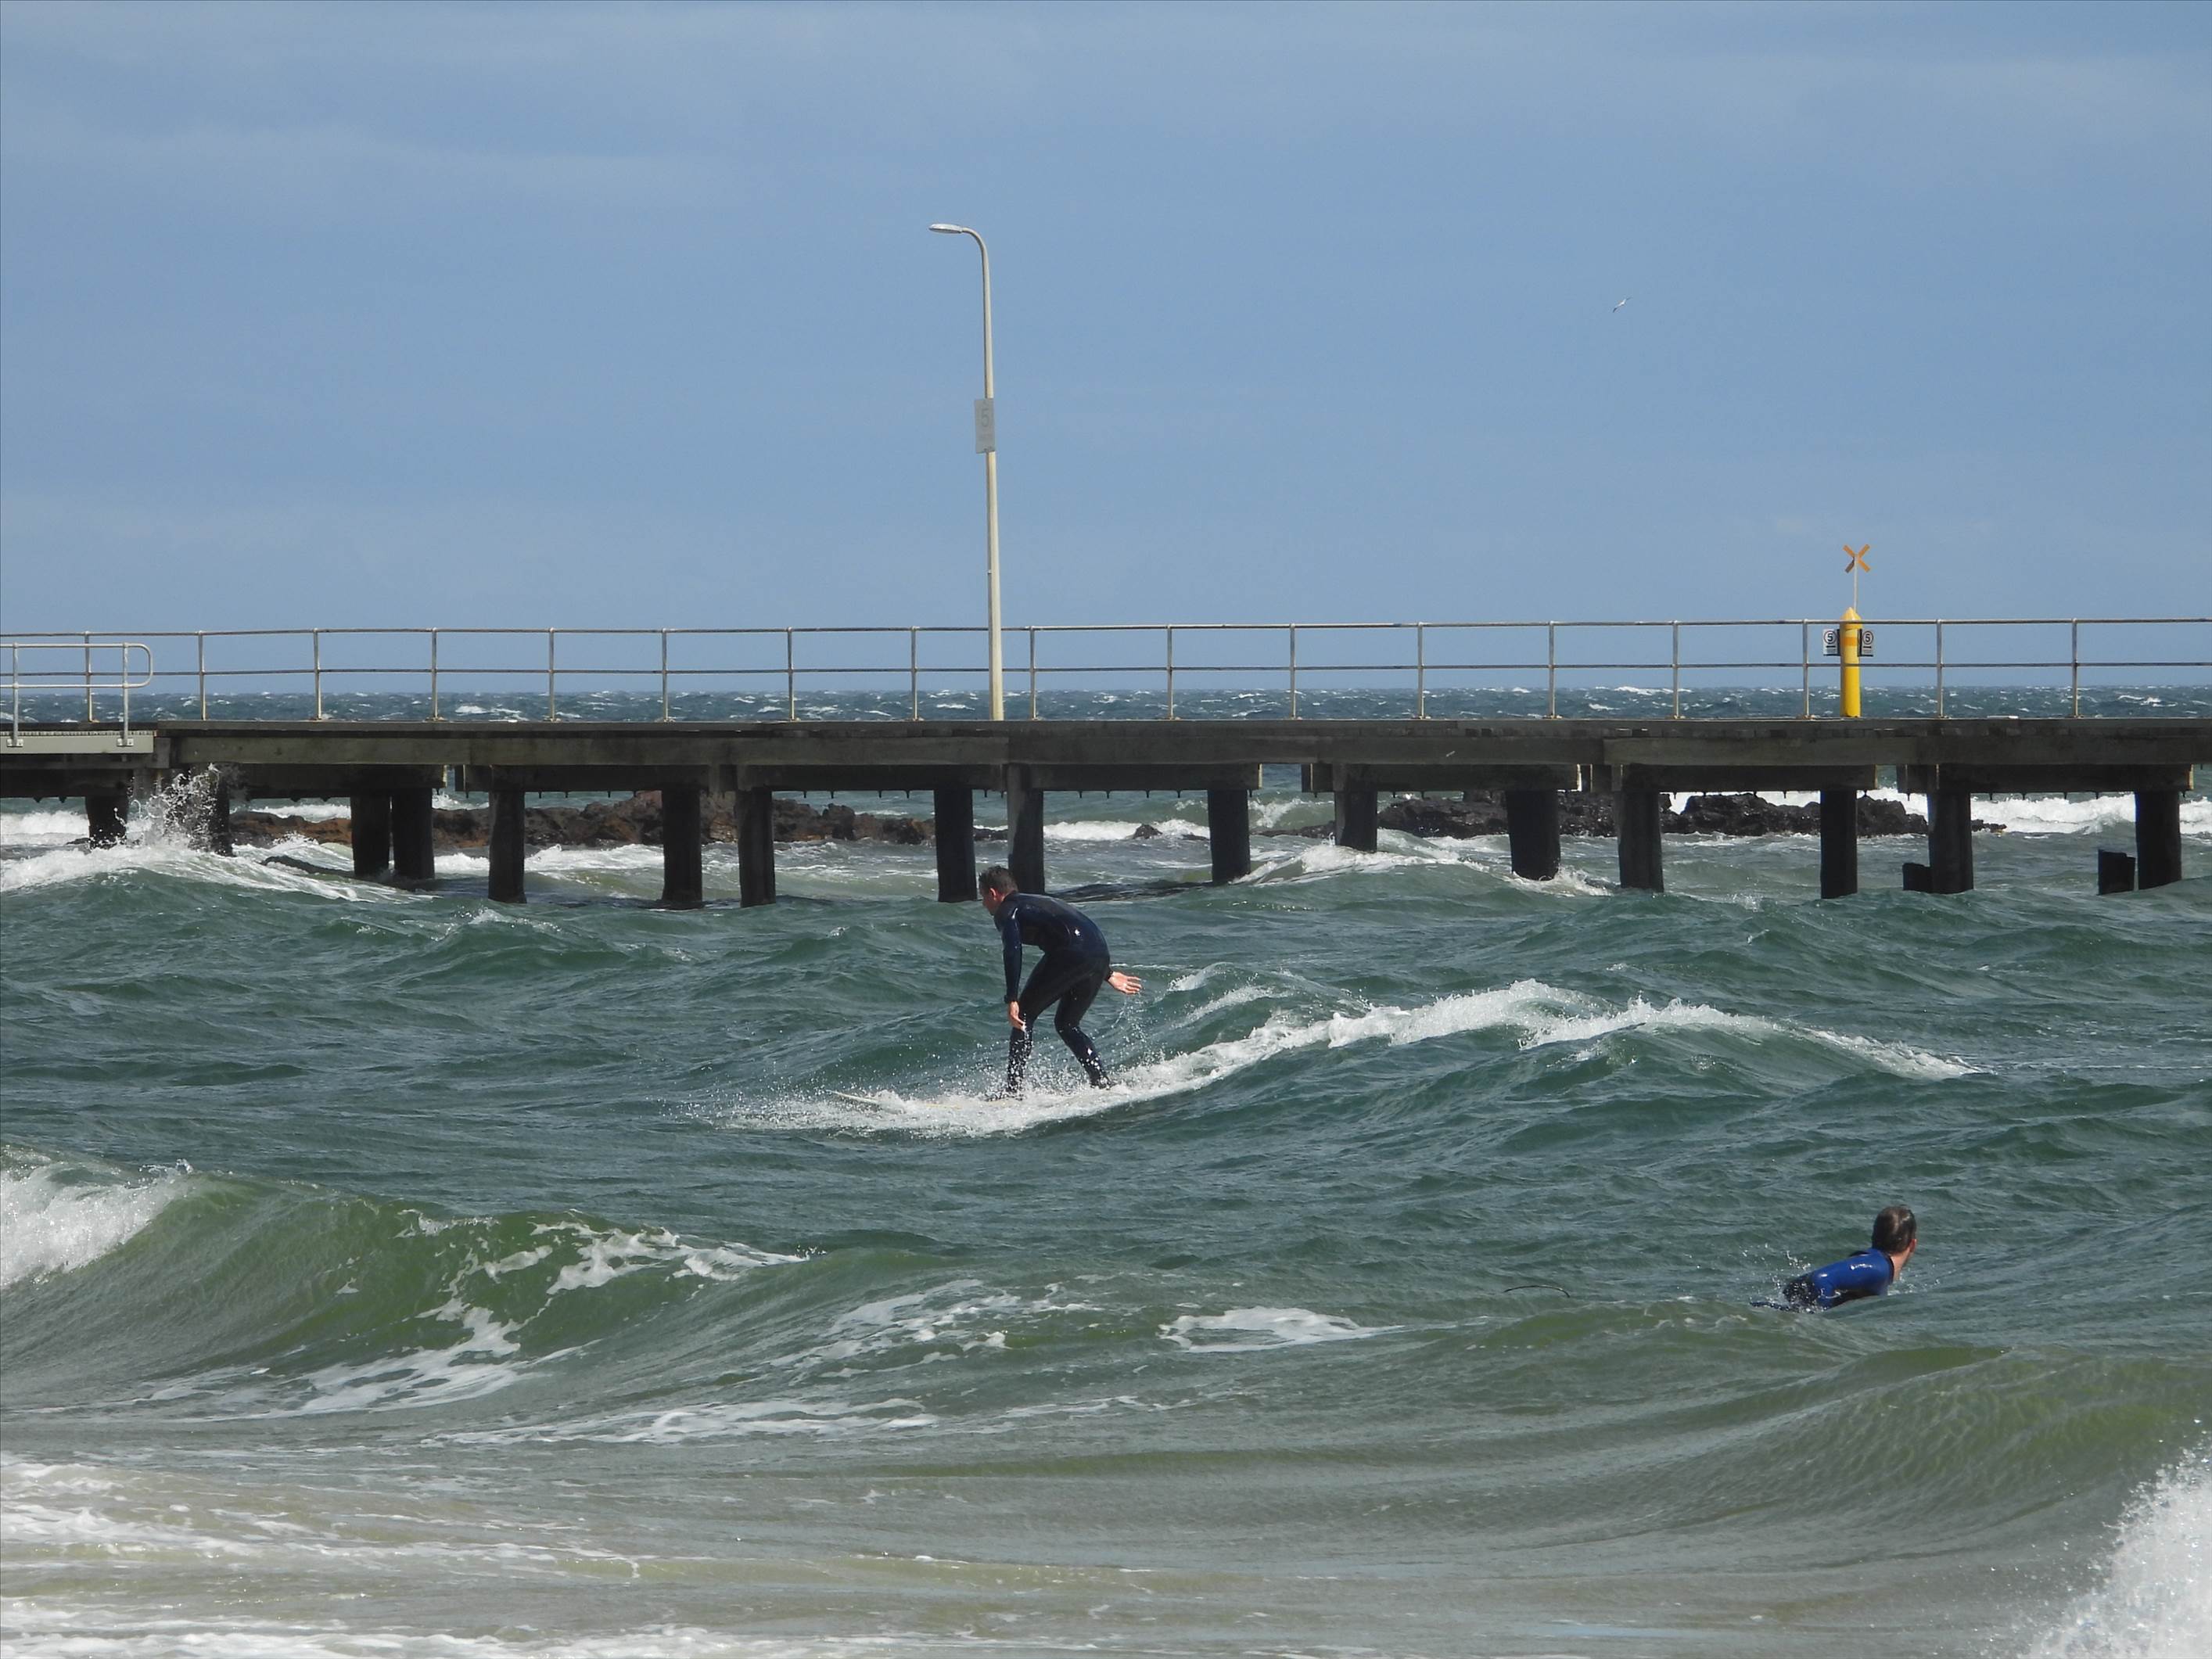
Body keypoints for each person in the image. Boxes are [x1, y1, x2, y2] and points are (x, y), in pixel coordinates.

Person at [977, 866, 1141, 1093]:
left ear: (993, 893)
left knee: (1023, 1016)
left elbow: (1013, 950)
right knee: (1067, 1024)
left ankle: (1013, 1091)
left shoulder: (1007, 911)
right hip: (1099, 953)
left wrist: (1012, 998)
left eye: (983, 896)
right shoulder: (1037, 901)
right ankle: (1102, 1082)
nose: (983, 904)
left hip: (1072, 953)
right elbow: (1079, 933)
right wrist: (1108, 973)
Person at [1783, 1205, 1918, 1309]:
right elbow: (1820, 1279)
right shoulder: (1878, 1268)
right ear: (1912, 1244)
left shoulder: (1879, 1267)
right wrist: (1821, 1322)